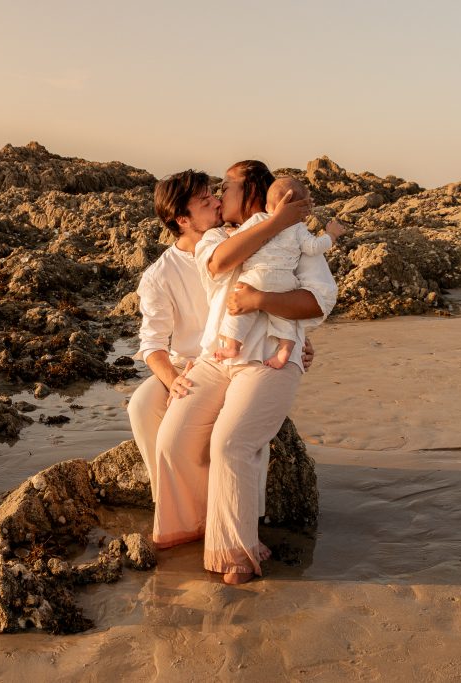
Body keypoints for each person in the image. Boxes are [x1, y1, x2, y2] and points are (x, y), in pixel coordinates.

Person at [148, 160, 337, 584]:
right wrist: (279, 219)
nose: (219, 195)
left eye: (226, 187)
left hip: (270, 358)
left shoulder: (297, 239)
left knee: (230, 443)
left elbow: (318, 302)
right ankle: (192, 529)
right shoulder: (215, 236)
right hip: (217, 358)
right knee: (173, 440)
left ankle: (235, 551)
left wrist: (261, 300)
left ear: (250, 189)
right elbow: (218, 264)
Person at [215, 177, 346, 368]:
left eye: (225, 189)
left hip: (256, 275)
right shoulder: (299, 228)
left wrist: (231, 235)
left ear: (267, 206)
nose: (220, 196)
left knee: (237, 308)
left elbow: (240, 238)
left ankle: (233, 345)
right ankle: (285, 351)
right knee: (285, 316)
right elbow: (314, 247)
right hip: (285, 279)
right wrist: (331, 235)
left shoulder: (259, 220)